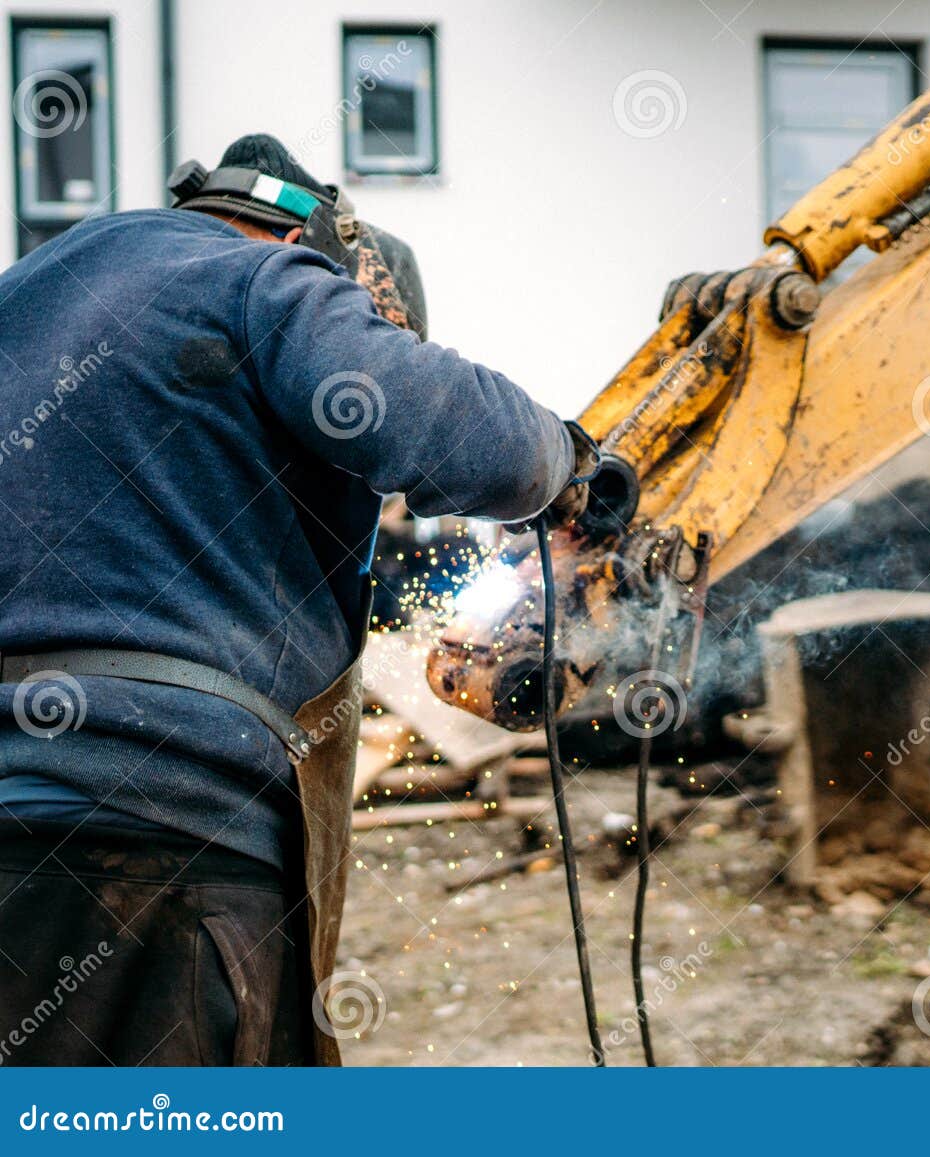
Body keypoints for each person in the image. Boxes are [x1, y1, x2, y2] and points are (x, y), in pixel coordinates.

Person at [0, 134, 586, 1065]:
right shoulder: (260, 281)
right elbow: (492, 450)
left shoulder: (28, 294)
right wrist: (573, 459)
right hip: (165, 852)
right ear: (309, 246)